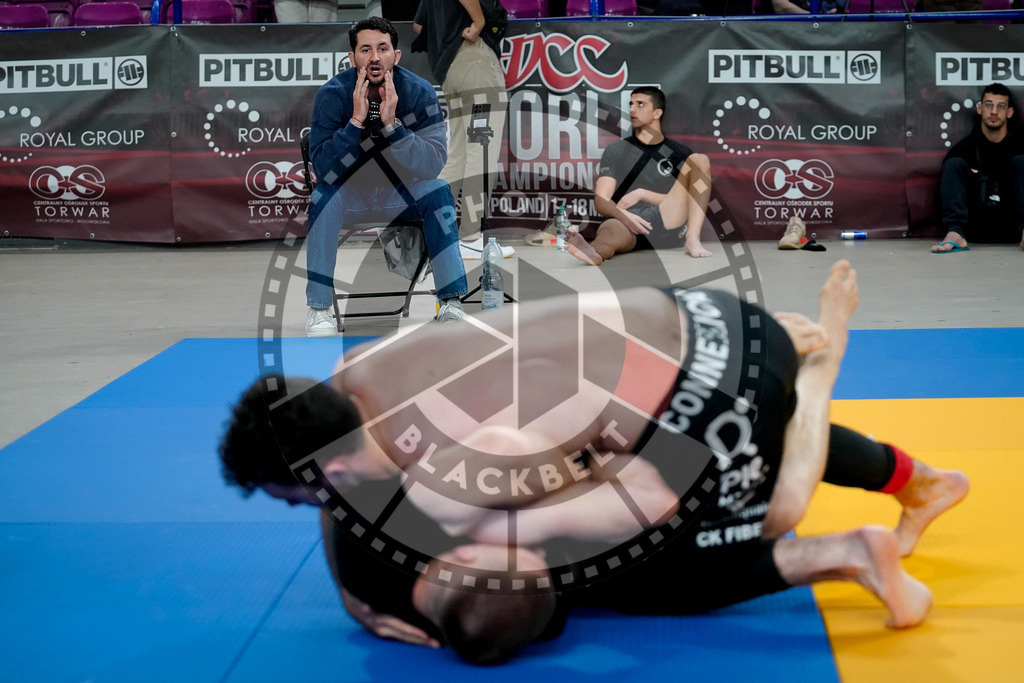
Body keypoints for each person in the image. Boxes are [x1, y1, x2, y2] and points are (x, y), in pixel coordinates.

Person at [219, 261, 968, 661]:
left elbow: (651, 491)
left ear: (332, 476)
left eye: (299, 500)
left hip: (707, 374)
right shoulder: (355, 378)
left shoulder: (465, 465)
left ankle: (818, 373)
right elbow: (322, 469)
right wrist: (351, 594)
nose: (315, 514)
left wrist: (538, 543)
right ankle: (916, 478)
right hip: (687, 318)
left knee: (761, 513)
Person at [305, 17, 469, 336]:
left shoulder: (419, 92)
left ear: (396, 55)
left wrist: (394, 127)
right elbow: (324, 171)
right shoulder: (331, 94)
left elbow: (433, 164)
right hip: (352, 195)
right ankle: (319, 308)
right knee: (321, 198)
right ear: (352, 58)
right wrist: (354, 122)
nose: (375, 57)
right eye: (365, 49)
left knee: (437, 189)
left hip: (402, 194)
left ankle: (452, 302)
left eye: (383, 48)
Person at [412, 0, 515, 261]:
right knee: (481, 153)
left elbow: (418, 26)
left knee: (458, 155)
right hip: (474, 62)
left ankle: (434, 234)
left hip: (451, 70)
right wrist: (478, 22)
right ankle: (470, 238)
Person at [566, 87, 713, 265]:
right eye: (631, 104)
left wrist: (642, 193)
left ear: (657, 112)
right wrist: (623, 216)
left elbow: (688, 200)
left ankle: (692, 240)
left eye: (640, 104)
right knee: (609, 231)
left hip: (668, 222)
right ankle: (593, 252)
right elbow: (601, 199)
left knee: (700, 160)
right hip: (630, 224)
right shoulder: (616, 150)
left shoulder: (679, 152)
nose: (632, 110)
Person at [930, 82, 1024, 253]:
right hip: (973, 230)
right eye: (989, 105)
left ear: (1009, 112)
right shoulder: (962, 150)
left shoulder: (1020, 147)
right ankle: (955, 233)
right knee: (954, 164)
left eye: (1000, 106)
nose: (994, 111)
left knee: (1022, 162)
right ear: (980, 109)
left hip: (1014, 231)